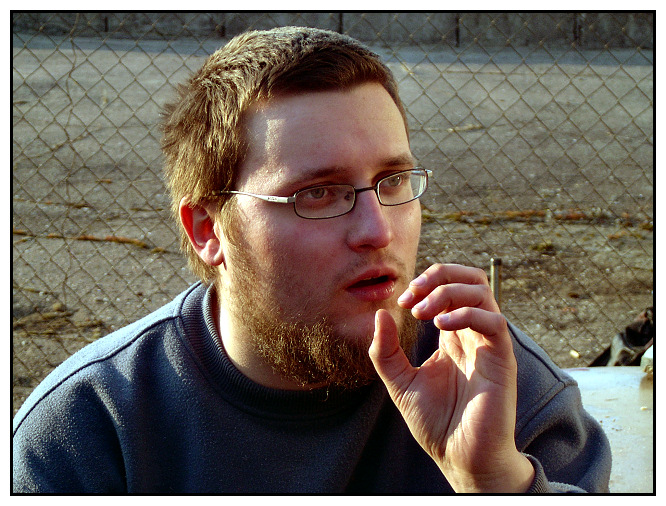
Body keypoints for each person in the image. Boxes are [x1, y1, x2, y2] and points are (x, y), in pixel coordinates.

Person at [13, 26, 611, 494]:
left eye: (393, 180)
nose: (377, 230)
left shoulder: (493, 386)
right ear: (207, 230)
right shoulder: (91, 433)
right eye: (318, 194)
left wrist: (496, 483)